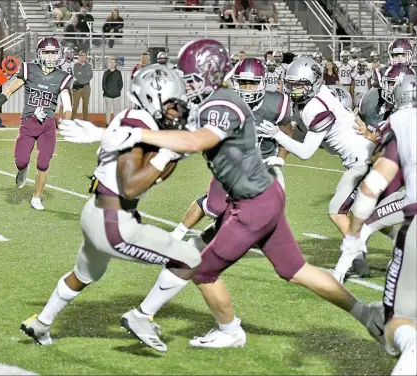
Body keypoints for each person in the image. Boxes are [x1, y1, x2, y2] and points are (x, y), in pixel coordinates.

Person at [96, 39, 386, 351]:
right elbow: (186, 135)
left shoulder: (222, 105)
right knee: (297, 270)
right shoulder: (213, 102)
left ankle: (229, 330)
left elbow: (197, 141)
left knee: (203, 270)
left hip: (252, 205)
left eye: (191, 77)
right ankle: (366, 314)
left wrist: (137, 134)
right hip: (261, 197)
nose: (187, 84)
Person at [22, 65, 201, 352]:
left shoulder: (138, 120)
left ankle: (41, 322)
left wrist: (172, 154)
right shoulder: (140, 121)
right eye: (171, 102)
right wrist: (168, 153)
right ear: (152, 99)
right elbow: (131, 186)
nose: (177, 109)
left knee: (84, 274)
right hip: (113, 219)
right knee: (189, 259)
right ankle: (141, 317)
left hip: (99, 211)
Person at [332, 74, 416, 376]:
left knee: (396, 321)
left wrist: (353, 235)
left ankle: (412, 349)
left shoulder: (402, 123)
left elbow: (371, 190)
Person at [171, 56, 292, 240]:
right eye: (242, 83)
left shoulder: (277, 104)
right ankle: (177, 233)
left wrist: (280, 157)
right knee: (213, 207)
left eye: (252, 83)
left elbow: (287, 131)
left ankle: (208, 241)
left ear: (263, 83)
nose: (247, 89)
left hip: (263, 164)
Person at [258, 57, 376, 238]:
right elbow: (298, 132)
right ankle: (393, 245)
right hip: (363, 158)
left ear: (313, 83)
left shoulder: (316, 107)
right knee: (373, 213)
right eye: (291, 84)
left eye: (299, 85)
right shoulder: (308, 101)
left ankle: (356, 256)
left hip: (363, 161)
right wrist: (281, 157)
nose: (292, 90)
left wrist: (277, 134)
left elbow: (305, 152)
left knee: (337, 210)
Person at [0, 37, 73, 211]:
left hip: (47, 126)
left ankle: (37, 197)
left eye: (53, 53)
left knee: (43, 163)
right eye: (47, 53)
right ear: (40, 54)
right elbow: (10, 89)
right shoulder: (29, 69)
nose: (50, 57)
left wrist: (66, 118)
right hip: (28, 123)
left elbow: (68, 104)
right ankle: (22, 171)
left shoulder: (62, 77)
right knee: (21, 161)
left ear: (58, 54)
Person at [71, 50, 93, 121]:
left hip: (86, 87)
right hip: (77, 87)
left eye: (84, 55)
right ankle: (71, 120)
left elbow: (90, 76)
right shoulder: (75, 65)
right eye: (82, 55)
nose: (83, 57)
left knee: (85, 105)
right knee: (75, 105)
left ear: (86, 56)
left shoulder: (89, 66)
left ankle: (85, 121)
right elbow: (76, 75)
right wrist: (84, 77)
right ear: (79, 57)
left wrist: (83, 78)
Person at [102, 57, 123, 125]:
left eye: (113, 62)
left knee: (116, 110)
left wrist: (117, 91)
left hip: (116, 95)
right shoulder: (106, 73)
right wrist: (107, 91)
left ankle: (115, 124)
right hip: (107, 95)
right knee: (108, 110)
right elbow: (103, 83)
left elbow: (121, 84)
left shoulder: (118, 73)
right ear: (109, 63)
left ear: (116, 63)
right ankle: (108, 124)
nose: (112, 64)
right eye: (111, 62)